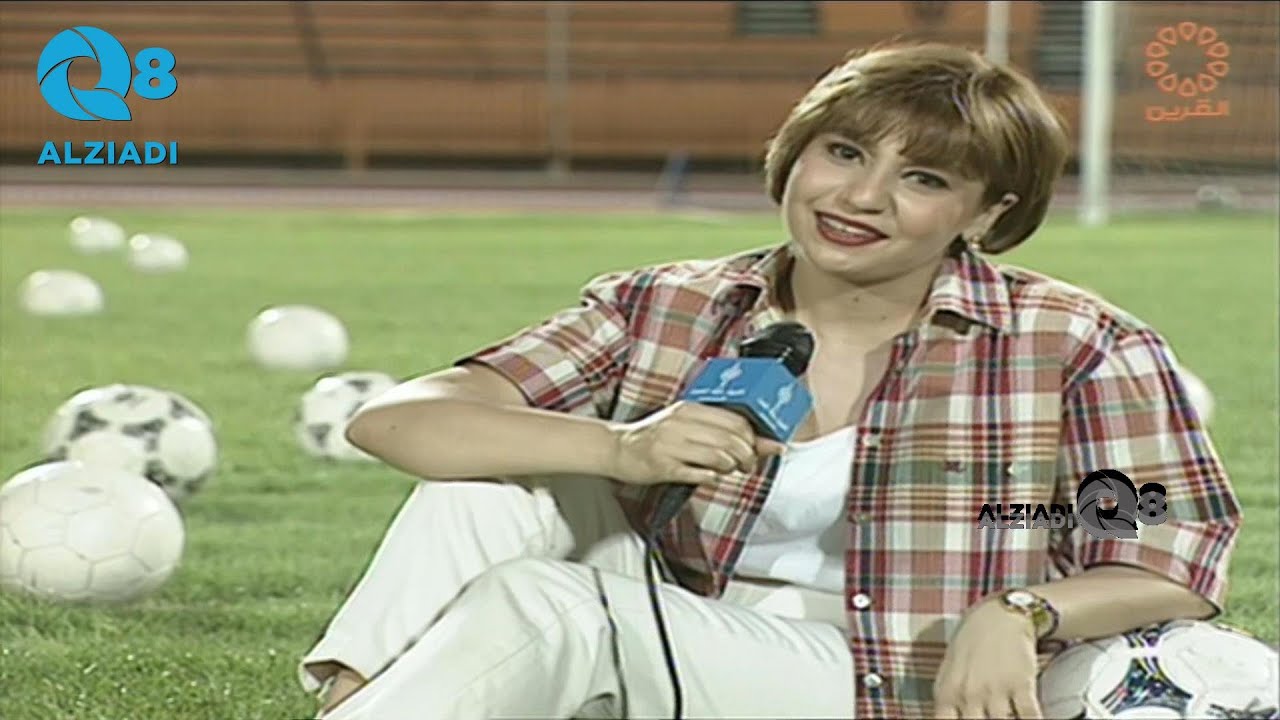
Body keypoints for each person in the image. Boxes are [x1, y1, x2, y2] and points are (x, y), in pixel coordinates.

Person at [297, 42, 1241, 719]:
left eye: (922, 179)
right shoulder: (671, 303)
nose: (860, 197)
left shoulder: (1074, 343)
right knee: (479, 495)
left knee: (555, 608)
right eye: (844, 153)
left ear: (986, 215)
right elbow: (397, 420)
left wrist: (1025, 610)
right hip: (687, 625)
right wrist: (622, 446)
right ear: (796, 151)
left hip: (885, 673)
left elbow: (1172, 553)